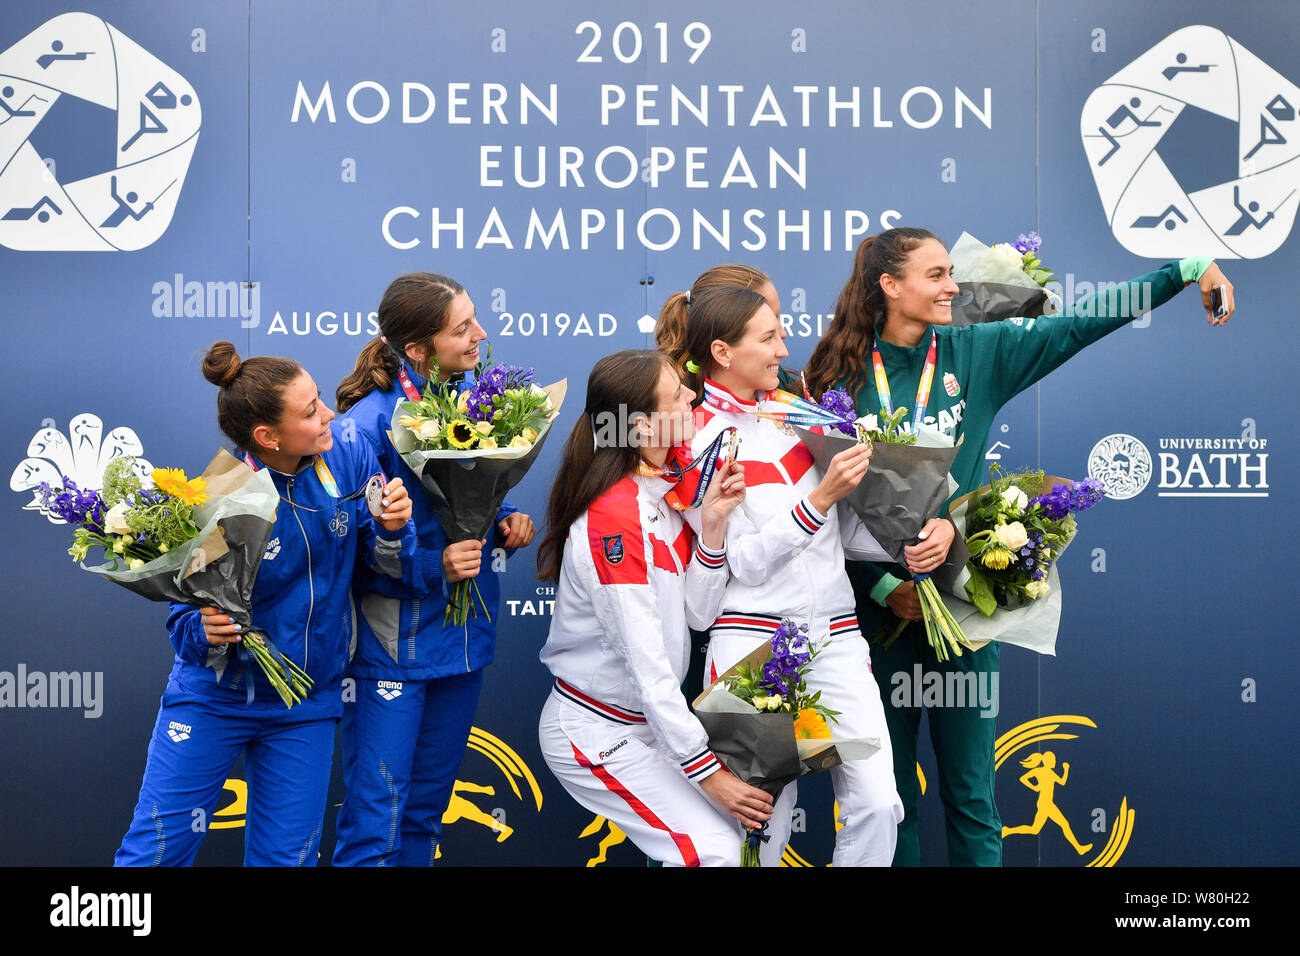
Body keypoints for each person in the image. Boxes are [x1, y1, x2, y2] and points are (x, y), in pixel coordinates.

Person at [801, 226, 1235, 866]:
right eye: (937, 275)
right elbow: (818, 512)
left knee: (972, 795)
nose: (955, 286)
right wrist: (886, 588)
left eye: (953, 272)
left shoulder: (979, 352)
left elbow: (1081, 325)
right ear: (890, 287)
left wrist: (1186, 269)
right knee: (887, 799)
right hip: (872, 615)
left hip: (965, 610)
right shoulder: (830, 375)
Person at [115, 342, 415, 866]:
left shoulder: (347, 455)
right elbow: (183, 614)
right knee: (156, 853)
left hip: (304, 703)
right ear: (267, 437)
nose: (329, 417)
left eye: (319, 399)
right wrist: (203, 629)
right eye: (310, 412)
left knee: (287, 861)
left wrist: (393, 531)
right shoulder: (221, 494)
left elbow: (385, 567)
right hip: (215, 697)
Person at [658, 282, 923, 867]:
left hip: (837, 640)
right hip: (753, 641)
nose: (784, 348)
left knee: (879, 803)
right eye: (769, 337)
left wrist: (911, 532)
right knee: (764, 822)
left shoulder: (800, 413)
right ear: (723, 353)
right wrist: (821, 500)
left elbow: (845, 535)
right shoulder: (691, 437)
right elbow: (742, 562)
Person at [537, 349, 773, 867]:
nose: (693, 395)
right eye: (678, 394)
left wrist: (710, 526)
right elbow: (648, 668)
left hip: (646, 725)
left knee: (739, 845)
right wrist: (709, 774)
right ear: (643, 427)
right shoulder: (614, 517)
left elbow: (697, 614)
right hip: (593, 731)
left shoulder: (662, 494)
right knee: (715, 852)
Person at [332, 272, 534, 865]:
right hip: (392, 649)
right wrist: (432, 565)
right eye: (462, 327)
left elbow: (470, 494)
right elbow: (347, 552)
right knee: (375, 821)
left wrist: (505, 518)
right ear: (416, 349)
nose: (480, 335)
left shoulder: (475, 403)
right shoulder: (364, 428)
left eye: (475, 319)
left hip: (461, 643)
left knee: (424, 815)